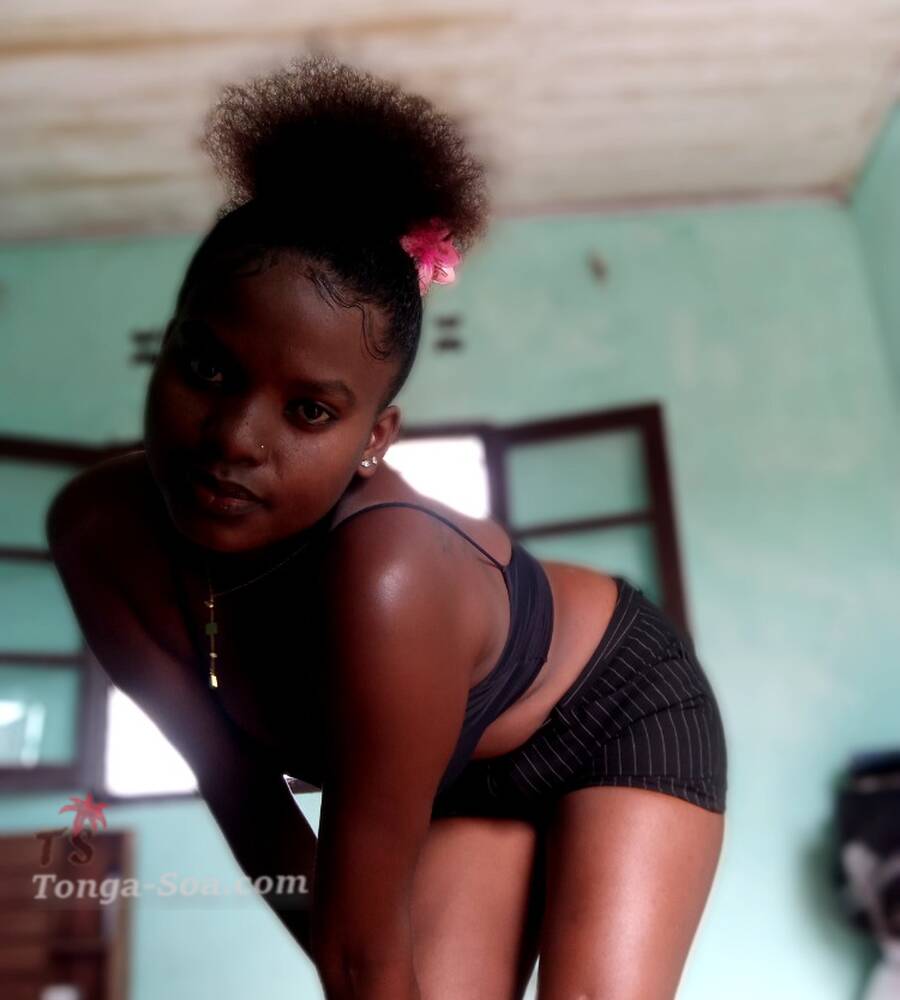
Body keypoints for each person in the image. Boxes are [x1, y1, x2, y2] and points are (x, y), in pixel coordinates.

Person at [46, 54, 728, 1000]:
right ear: (165, 349)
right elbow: (245, 801)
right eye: (206, 369)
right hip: (446, 779)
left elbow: (361, 950)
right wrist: (350, 963)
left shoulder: (386, 571)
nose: (235, 439)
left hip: (613, 712)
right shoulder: (99, 534)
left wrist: (357, 963)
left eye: (309, 412)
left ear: (375, 439)